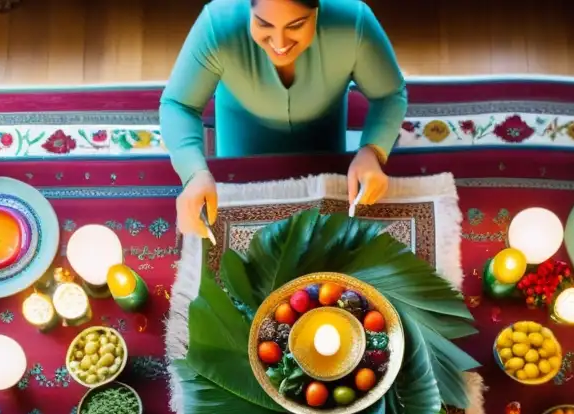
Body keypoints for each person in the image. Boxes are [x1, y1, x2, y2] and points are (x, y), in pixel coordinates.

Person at [161, 0, 407, 238]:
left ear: (318, 9)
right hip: (241, 135)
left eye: (296, 24)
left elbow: (390, 94)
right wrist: (193, 173)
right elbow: (178, 104)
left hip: (323, 136)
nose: (279, 43)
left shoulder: (354, 22)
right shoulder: (217, 24)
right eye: (262, 24)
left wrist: (372, 150)